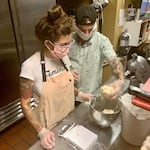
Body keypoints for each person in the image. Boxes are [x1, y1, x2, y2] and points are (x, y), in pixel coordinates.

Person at [19, 4, 92, 149]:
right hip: (49, 131)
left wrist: (80, 94)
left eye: (69, 43)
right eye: (63, 44)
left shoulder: (63, 58)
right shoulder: (30, 67)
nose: (67, 48)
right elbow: (25, 104)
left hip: (70, 122)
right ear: (48, 43)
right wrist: (41, 131)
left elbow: (65, 86)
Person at [69, 5, 125, 100]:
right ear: (76, 26)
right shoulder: (67, 41)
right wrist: (67, 72)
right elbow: (58, 65)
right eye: (82, 30)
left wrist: (120, 80)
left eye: (90, 30)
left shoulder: (102, 41)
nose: (86, 34)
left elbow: (114, 61)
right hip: (69, 95)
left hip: (91, 96)